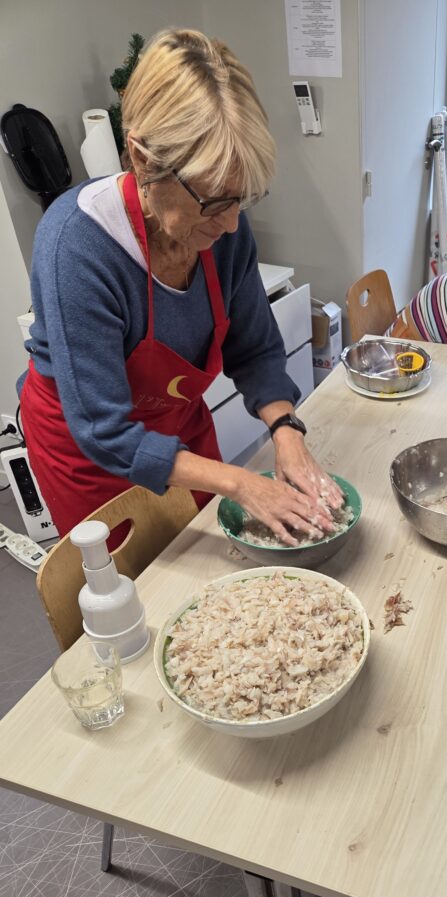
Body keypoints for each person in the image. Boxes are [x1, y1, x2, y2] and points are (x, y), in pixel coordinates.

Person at [18, 28, 340, 547]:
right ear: (143, 158)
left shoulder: (224, 228)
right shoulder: (76, 248)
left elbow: (254, 349)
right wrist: (241, 481)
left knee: (206, 553)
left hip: (177, 426)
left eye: (242, 200)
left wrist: (286, 431)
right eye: (213, 201)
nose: (231, 224)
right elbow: (103, 430)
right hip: (88, 448)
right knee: (131, 579)